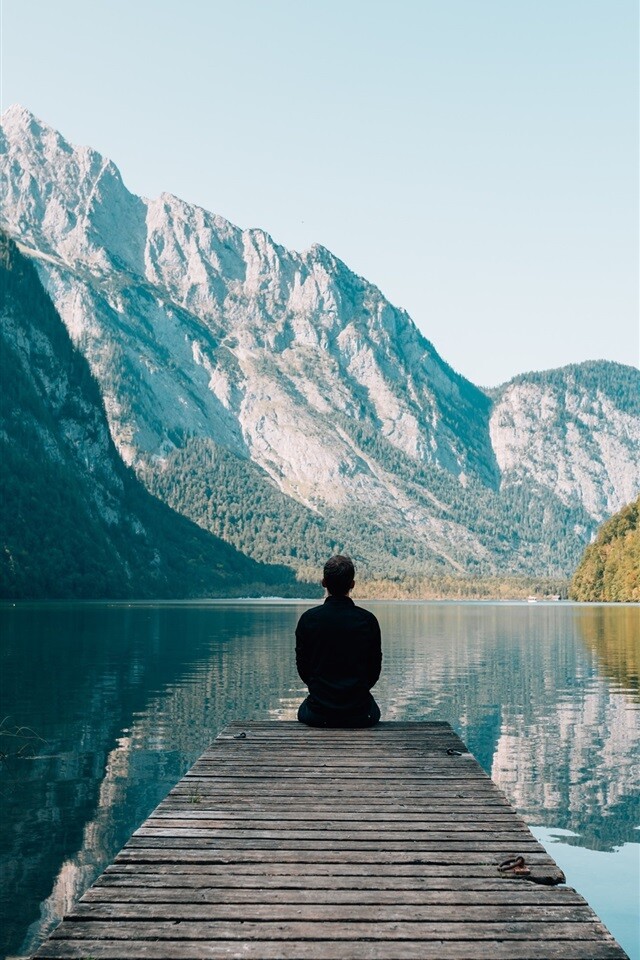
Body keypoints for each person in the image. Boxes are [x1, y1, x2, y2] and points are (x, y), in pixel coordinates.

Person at [295, 555, 382, 727]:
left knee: (304, 709)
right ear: (352, 584)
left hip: (318, 714)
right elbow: (374, 670)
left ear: (324, 582)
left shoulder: (308, 619)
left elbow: (303, 668)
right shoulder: (368, 620)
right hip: (360, 714)